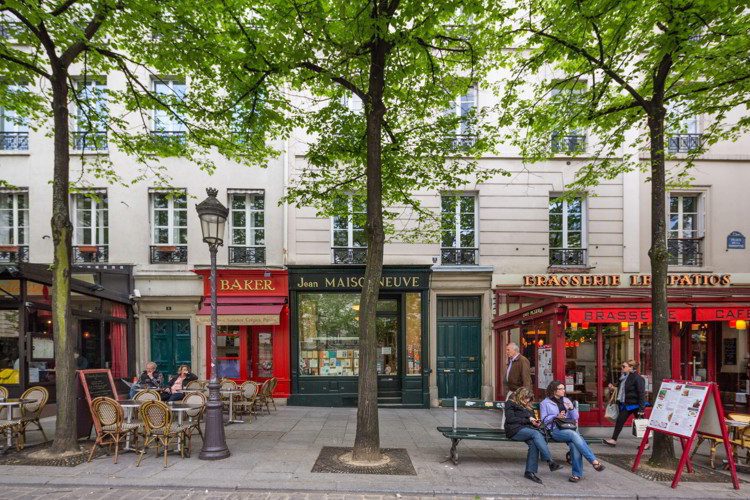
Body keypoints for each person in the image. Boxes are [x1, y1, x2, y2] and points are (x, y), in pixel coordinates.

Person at [540, 380, 605, 483]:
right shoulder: (545, 403)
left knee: (574, 444)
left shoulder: (566, 400)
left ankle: (576, 474)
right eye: (560, 389)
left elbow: (576, 417)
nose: (563, 390)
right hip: (555, 430)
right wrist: (555, 416)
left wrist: (571, 409)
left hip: (569, 428)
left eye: (563, 388)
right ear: (554, 391)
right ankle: (593, 461)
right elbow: (544, 420)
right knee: (574, 435)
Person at [504, 387, 562, 484]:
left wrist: (535, 422)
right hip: (514, 430)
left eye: (529, 399)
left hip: (527, 430)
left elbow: (533, 419)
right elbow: (510, 419)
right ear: (520, 396)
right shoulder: (510, 403)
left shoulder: (528, 406)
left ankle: (529, 472)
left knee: (534, 443)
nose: (527, 400)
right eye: (526, 398)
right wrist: (528, 420)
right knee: (536, 433)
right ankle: (550, 461)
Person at [603, 359, 647, 447]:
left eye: (624, 366)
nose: (621, 368)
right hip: (626, 404)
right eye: (622, 366)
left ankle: (646, 444)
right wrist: (613, 388)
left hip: (635, 405)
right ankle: (613, 440)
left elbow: (641, 393)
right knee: (619, 421)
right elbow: (622, 389)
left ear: (631, 367)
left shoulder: (638, 378)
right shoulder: (623, 377)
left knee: (640, 424)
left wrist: (642, 409)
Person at [501, 342, 532, 429]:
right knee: (507, 409)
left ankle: (515, 428)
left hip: (519, 392)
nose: (506, 352)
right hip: (512, 391)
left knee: (518, 410)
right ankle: (506, 428)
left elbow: (526, 378)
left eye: (508, 350)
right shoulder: (511, 360)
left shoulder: (522, 360)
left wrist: (525, 394)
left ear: (515, 350)